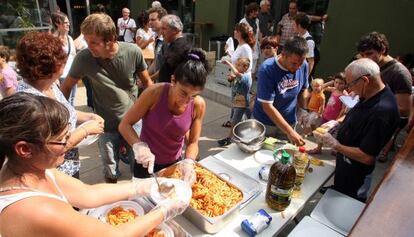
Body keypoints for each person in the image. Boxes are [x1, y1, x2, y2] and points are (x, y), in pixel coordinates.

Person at [0, 93, 189, 237]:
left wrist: (141, 186)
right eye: (61, 140)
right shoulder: (35, 209)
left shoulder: (32, 168)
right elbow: (115, 235)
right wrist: (165, 210)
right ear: (24, 149)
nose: (69, 144)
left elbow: (87, 194)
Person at [60, 13, 153, 183]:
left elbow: (148, 83)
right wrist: (63, 116)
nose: (89, 47)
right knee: (110, 169)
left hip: (133, 122)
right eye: (87, 42)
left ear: (110, 38)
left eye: (94, 42)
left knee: (138, 164)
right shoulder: (83, 58)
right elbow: (65, 87)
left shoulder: (133, 52)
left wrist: (154, 113)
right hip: (105, 124)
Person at [16, 31, 104, 178]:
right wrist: (86, 131)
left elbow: (64, 112)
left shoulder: (50, 84)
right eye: (61, 61)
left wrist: (88, 117)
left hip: (69, 165)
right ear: (49, 67)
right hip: (52, 174)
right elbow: (50, 147)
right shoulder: (31, 103)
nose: (64, 63)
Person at [314, 58, 400, 201]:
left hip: (357, 176)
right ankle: (337, 188)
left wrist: (336, 145)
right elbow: (355, 115)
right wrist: (336, 123)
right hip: (346, 166)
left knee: (346, 207)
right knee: (339, 189)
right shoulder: (370, 94)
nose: (349, 89)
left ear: (365, 80)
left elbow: (367, 157)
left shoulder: (381, 112)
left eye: (351, 84)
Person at [119, 49, 210, 181]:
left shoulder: (198, 105)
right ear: (173, 80)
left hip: (174, 164)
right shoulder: (154, 94)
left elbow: (193, 141)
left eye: (193, 95)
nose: (187, 100)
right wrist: (139, 146)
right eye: (183, 93)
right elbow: (124, 125)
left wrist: (189, 161)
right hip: (146, 162)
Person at [357, 32, 412, 162]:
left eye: (369, 53)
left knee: (365, 164)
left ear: (383, 50)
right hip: (364, 121)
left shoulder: (400, 73)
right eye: (363, 55)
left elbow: (404, 109)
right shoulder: (371, 67)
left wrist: (372, 107)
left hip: (378, 128)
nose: (366, 58)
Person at [253, 36, 309, 146]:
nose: (298, 67)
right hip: (265, 123)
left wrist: (303, 109)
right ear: (283, 54)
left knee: (283, 159)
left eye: (300, 63)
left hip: (289, 121)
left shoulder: (304, 64)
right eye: (294, 63)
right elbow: (267, 106)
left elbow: (303, 89)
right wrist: (290, 132)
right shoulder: (267, 69)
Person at [221, 22, 255, 129]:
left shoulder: (245, 47)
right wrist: (229, 53)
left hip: (242, 80)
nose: (234, 32)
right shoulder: (240, 46)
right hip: (237, 78)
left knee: (241, 103)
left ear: (240, 33)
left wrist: (235, 73)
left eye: (236, 30)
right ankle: (238, 122)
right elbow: (239, 61)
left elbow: (248, 66)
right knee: (239, 101)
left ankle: (247, 123)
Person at [308, 73, 347, 154]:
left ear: (346, 84)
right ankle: (319, 148)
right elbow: (322, 87)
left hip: (334, 119)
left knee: (333, 135)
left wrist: (336, 120)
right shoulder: (334, 89)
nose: (338, 85)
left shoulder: (344, 95)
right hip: (326, 116)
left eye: (341, 83)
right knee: (321, 133)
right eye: (336, 82)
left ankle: (335, 149)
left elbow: (343, 109)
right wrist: (330, 82)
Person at [218, 57, 252, 146]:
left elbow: (237, 74)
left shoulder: (246, 77)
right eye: (236, 64)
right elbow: (234, 79)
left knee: (236, 121)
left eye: (238, 65)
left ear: (246, 67)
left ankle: (230, 138)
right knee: (247, 119)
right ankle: (242, 136)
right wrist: (231, 79)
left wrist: (229, 63)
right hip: (236, 102)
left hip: (242, 103)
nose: (236, 66)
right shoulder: (239, 76)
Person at [51, 11, 77, 106]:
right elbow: (51, 60)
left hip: (72, 74)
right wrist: (54, 77)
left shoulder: (69, 38)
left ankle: (71, 119)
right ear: (57, 24)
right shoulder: (53, 40)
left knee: (72, 100)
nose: (68, 24)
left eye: (68, 22)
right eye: (65, 22)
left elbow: (73, 55)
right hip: (61, 76)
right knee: (64, 102)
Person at [158, 14, 191, 83]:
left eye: (164, 28)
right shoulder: (175, 44)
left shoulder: (179, 47)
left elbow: (166, 71)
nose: (161, 32)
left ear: (175, 30)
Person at [240, 2, 261, 74]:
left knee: (253, 71)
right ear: (250, 11)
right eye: (254, 11)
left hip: (255, 48)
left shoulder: (257, 21)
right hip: (246, 49)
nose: (256, 12)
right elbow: (240, 36)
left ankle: (250, 85)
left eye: (257, 11)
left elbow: (258, 34)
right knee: (244, 70)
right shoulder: (243, 21)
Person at [147, 7, 168, 80]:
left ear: (162, 21)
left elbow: (165, 69)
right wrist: (145, 76)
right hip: (158, 83)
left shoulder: (167, 41)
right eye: (149, 20)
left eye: (153, 20)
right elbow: (156, 61)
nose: (150, 22)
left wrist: (148, 79)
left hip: (166, 86)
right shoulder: (156, 38)